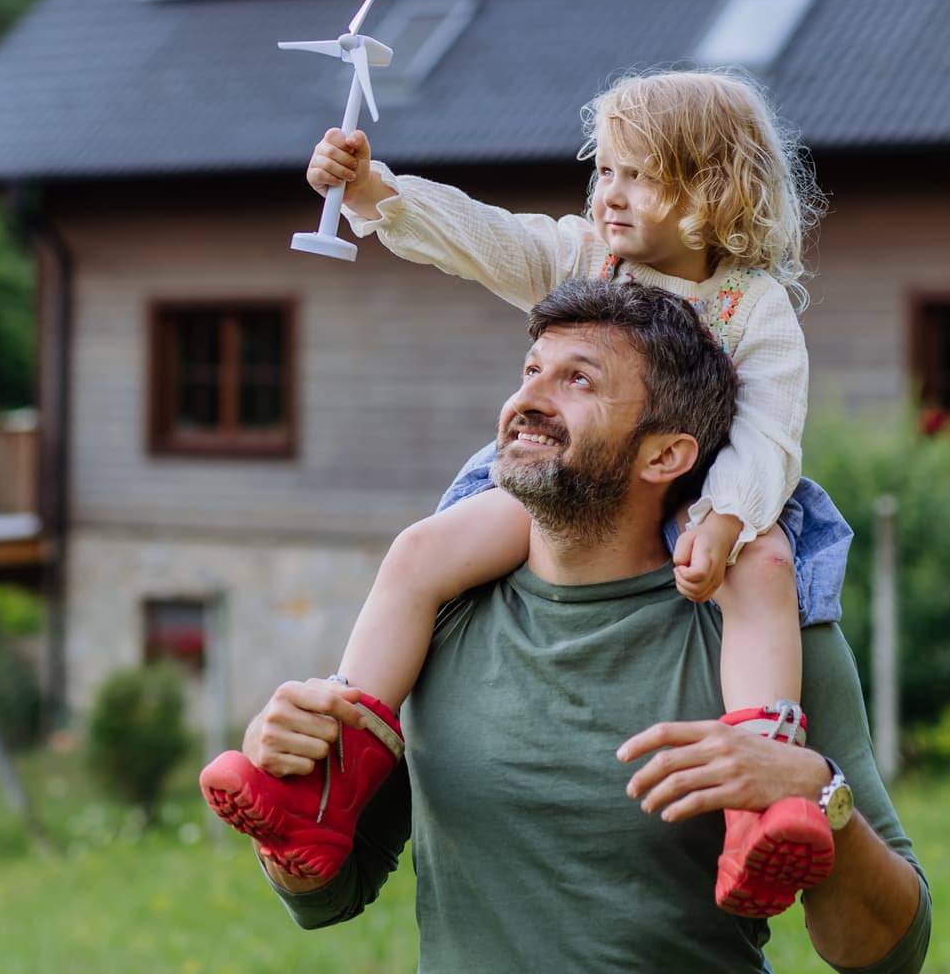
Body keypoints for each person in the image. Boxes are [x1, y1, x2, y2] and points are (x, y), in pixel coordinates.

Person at [202, 69, 855, 918]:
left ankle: (758, 803)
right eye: (605, 170)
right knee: (420, 554)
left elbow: (770, 425)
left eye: (639, 175)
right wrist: (374, 189)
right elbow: (485, 238)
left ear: (711, 189)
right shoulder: (584, 254)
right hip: (572, 482)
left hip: (708, 492)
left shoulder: (753, 307)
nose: (610, 194)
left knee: (765, 571)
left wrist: (725, 512)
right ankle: (333, 774)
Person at [232, 279, 930, 974]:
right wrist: (291, 764)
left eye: (578, 380)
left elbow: (889, 963)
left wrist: (817, 791)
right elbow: (326, 896)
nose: (528, 399)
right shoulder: (438, 616)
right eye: (530, 370)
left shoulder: (764, 643)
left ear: (664, 456)